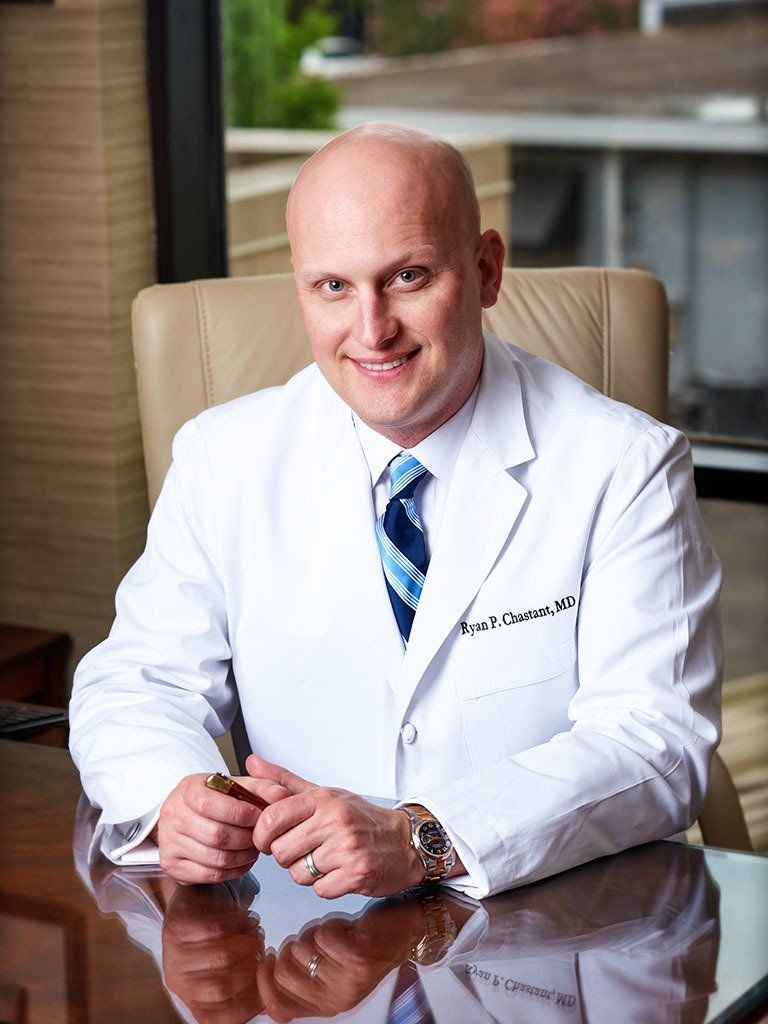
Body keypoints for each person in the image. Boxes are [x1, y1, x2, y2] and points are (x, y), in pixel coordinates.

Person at [70, 122, 722, 901]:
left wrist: (422, 835)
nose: (371, 330)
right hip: (306, 935)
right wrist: (175, 798)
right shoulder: (223, 458)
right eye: (333, 287)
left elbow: (656, 744)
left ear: (485, 269)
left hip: (552, 926)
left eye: (408, 277)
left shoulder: (625, 466)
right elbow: (138, 681)